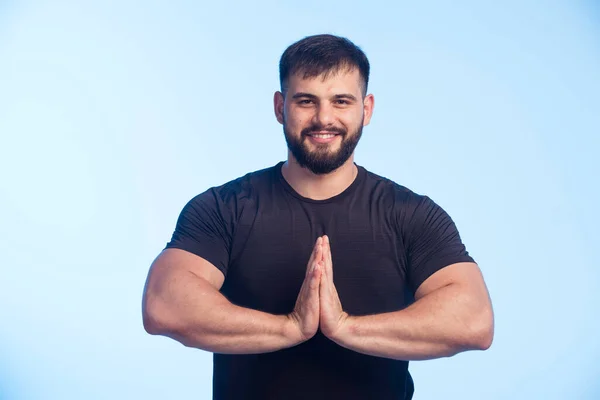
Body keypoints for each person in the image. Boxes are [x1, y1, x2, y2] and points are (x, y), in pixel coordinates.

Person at [142, 33, 494, 400]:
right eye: (306, 101)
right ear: (280, 107)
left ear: (366, 109)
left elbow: (474, 320)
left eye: (341, 101)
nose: (324, 118)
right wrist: (289, 328)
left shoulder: (411, 215)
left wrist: (344, 328)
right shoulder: (224, 208)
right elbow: (164, 303)